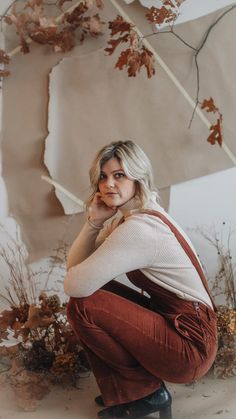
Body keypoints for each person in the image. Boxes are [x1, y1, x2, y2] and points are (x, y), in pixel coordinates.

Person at [64, 140, 217, 419]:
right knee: (92, 292)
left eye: (119, 175)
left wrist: (95, 228)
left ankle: (147, 393)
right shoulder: (133, 217)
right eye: (103, 177)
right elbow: (75, 269)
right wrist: (94, 223)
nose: (109, 184)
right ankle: (128, 392)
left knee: (82, 305)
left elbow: (73, 284)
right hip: (182, 328)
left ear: (138, 177)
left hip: (191, 347)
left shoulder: (140, 229)